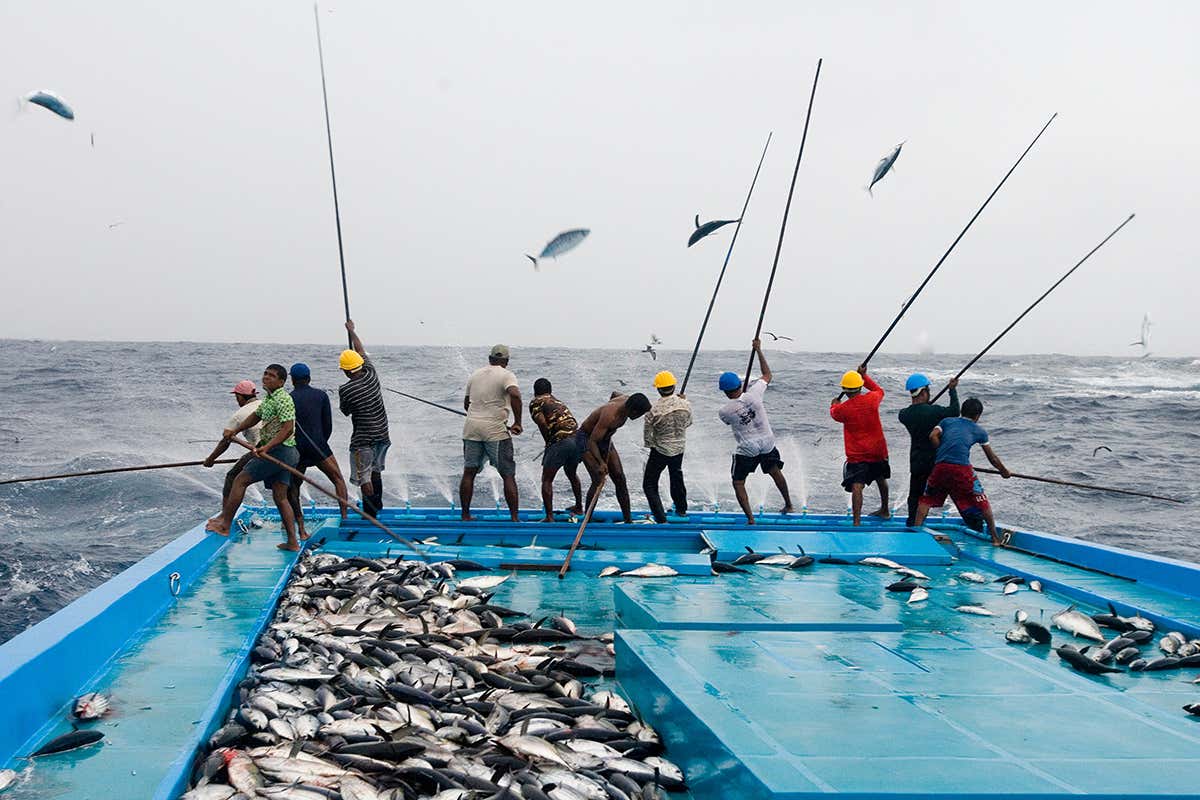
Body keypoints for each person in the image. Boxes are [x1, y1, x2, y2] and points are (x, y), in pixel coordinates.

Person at [205, 364, 302, 550]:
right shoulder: (269, 399)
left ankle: (224, 525)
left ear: (281, 382)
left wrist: (266, 447)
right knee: (280, 497)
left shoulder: (283, 399)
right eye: (265, 374)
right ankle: (292, 542)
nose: (266, 377)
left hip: (280, 451)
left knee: (240, 480)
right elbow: (255, 417)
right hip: (283, 452)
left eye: (272, 376)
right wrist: (236, 430)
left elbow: (288, 428)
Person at [911, 397, 1011, 545]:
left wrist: (942, 452)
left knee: (925, 500)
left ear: (961, 411)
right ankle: (995, 538)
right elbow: (993, 459)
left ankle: (916, 533)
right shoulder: (979, 431)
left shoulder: (947, 421)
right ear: (977, 416)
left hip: (940, 466)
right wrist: (1004, 471)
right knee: (982, 501)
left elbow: (933, 435)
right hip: (962, 469)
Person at [717, 339, 793, 524]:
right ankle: (789, 504)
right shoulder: (755, 392)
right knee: (775, 472)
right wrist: (758, 350)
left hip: (748, 448)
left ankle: (751, 519)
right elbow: (767, 374)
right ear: (740, 385)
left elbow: (729, 421)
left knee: (738, 482)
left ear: (726, 392)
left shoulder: (725, 411)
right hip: (767, 442)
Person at [287, 362, 350, 539]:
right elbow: (327, 425)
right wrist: (321, 442)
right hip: (319, 446)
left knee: (293, 487)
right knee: (338, 479)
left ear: (292, 380)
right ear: (309, 378)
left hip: (297, 448)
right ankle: (344, 517)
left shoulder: (288, 398)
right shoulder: (321, 395)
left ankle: (301, 527)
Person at [461, 345, 522, 521]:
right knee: (508, 474)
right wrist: (517, 422)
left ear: (490, 359)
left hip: (471, 428)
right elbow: (515, 395)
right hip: (495, 432)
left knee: (469, 473)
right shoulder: (507, 375)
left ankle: (465, 515)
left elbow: (467, 404)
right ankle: (514, 519)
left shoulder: (475, 375)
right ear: (507, 361)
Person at [338, 320, 389, 518]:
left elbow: (346, 411)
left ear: (345, 370)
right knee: (376, 471)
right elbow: (360, 349)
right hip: (383, 435)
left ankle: (371, 512)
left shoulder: (346, 389)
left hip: (363, 441)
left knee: (364, 477)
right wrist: (352, 332)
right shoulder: (371, 373)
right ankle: (377, 508)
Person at [576, 393, 652, 523]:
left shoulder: (626, 399)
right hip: (587, 439)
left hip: (604, 439)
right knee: (598, 478)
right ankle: (587, 520)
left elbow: (614, 393)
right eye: (639, 414)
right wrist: (600, 462)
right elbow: (592, 442)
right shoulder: (610, 416)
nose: (639, 417)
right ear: (632, 410)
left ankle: (628, 521)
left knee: (620, 478)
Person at [830, 365, 890, 526]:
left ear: (845, 389)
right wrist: (865, 377)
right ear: (859, 386)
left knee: (857, 486)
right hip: (878, 450)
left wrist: (834, 404)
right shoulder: (872, 399)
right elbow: (879, 390)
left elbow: (834, 413)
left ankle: (857, 522)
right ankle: (885, 509)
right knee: (880, 478)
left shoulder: (843, 409)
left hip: (857, 455)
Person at [898, 373, 959, 527]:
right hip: (933, 461)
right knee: (931, 495)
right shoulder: (934, 412)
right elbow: (954, 411)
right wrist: (952, 390)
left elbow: (913, 412)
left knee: (915, 494)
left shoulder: (904, 415)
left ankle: (912, 521)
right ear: (924, 392)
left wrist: (926, 407)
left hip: (916, 461)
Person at [529, 378, 583, 521]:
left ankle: (549, 517)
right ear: (550, 391)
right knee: (571, 473)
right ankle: (579, 507)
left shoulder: (536, 402)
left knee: (546, 479)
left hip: (561, 441)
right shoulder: (557, 401)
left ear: (535, 392)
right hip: (577, 439)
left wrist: (548, 442)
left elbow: (541, 422)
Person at [642, 370, 692, 523]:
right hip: (679, 448)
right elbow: (688, 423)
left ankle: (660, 518)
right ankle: (682, 509)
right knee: (676, 476)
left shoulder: (653, 410)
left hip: (660, 450)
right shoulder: (686, 404)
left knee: (649, 484)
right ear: (674, 386)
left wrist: (652, 446)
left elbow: (647, 437)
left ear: (658, 389)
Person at [202, 380, 261, 502]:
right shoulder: (265, 404)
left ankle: (225, 515)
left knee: (232, 476)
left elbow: (225, 442)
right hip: (278, 446)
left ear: (239, 396)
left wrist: (210, 459)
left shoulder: (238, 415)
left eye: (236, 396)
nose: (236, 400)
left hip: (261, 452)